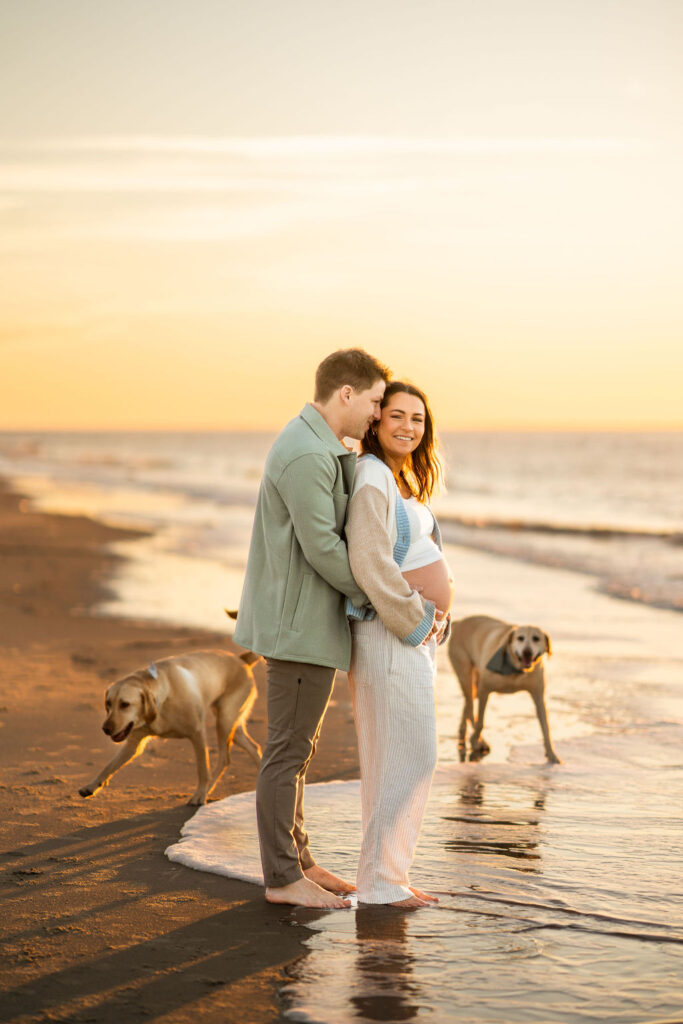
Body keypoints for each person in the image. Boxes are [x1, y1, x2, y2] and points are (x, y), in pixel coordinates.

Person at [234, 348, 391, 909]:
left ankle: (299, 859)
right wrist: (375, 597)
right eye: (374, 402)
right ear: (345, 394)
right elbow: (322, 545)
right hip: (299, 625)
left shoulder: (319, 447)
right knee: (286, 751)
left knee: (298, 748)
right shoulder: (307, 454)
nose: (378, 415)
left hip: (303, 621)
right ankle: (281, 878)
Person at [345, 380, 453, 907]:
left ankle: (384, 878)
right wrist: (416, 620)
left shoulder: (400, 478)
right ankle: (384, 883)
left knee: (398, 756)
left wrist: (435, 621)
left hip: (412, 636)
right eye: (397, 416)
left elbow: (418, 557)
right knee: (411, 755)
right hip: (391, 635)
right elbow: (369, 561)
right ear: (375, 421)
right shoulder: (371, 475)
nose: (409, 427)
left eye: (418, 418)